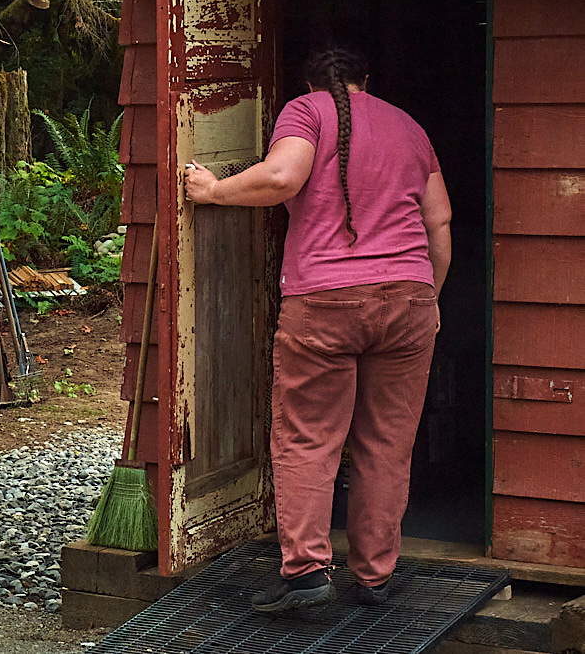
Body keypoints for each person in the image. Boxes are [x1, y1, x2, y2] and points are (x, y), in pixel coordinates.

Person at [185, 47, 452, 613]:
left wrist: (212, 191)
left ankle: (307, 577)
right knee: (386, 446)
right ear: (367, 80)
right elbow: (439, 221)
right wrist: (428, 293)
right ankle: (375, 579)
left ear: (312, 83)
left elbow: (282, 177)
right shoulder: (408, 125)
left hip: (325, 302)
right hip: (409, 299)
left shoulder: (307, 111)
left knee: (310, 439)